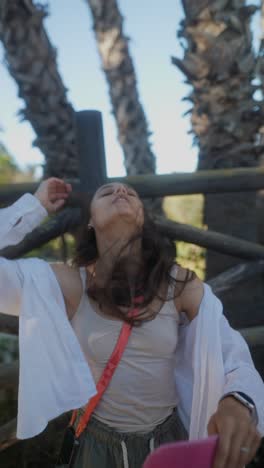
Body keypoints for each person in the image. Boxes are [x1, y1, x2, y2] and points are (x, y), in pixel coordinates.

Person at [0, 176, 263, 468]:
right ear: (90, 221)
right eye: (107, 191)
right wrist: (34, 207)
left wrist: (239, 400)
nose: (121, 191)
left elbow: (231, 352)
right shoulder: (69, 284)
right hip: (96, 448)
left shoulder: (179, 285)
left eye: (130, 192)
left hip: (169, 445)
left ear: (142, 220)